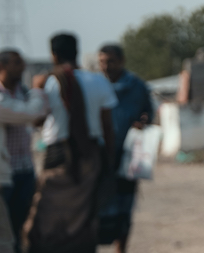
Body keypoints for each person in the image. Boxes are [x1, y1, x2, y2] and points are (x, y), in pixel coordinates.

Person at [23, 33, 117, 253]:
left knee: (47, 215)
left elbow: (37, 119)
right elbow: (108, 127)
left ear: (54, 54)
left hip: (57, 154)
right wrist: (109, 160)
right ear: (76, 51)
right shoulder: (98, 81)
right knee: (83, 216)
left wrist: (37, 89)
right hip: (90, 153)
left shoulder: (48, 82)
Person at [96, 44, 155, 253]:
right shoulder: (95, 85)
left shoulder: (136, 86)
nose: (106, 66)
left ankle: (120, 248)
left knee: (124, 208)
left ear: (121, 62)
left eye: (110, 61)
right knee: (97, 207)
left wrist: (143, 121)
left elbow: (148, 112)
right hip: (99, 157)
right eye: (102, 61)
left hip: (128, 155)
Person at [0, 51, 49, 253]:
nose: (22, 67)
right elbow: (30, 113)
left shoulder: (22, 92)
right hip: (5, 174)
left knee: (20, 227)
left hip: (24, 169)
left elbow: (36, 118)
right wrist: (38, 90)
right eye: (17, 63)